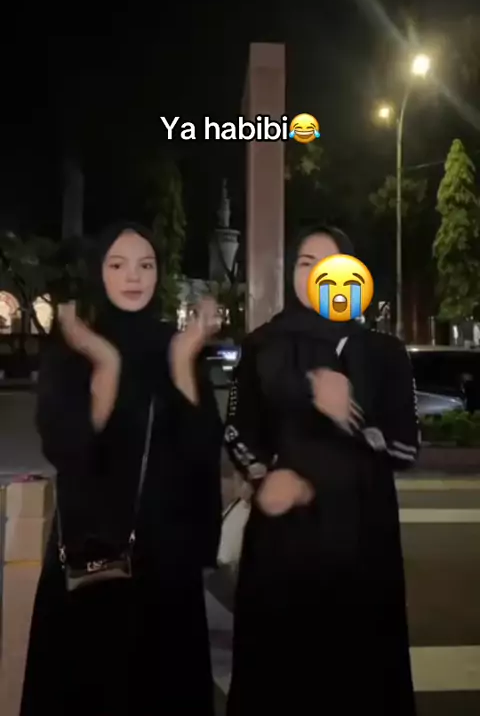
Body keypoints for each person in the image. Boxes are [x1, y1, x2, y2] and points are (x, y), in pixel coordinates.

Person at [20, 222, 223, 716]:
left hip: (166, 565)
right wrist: (106, 366)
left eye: (145, 265)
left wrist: (183, 364)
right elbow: (67, 447)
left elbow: (202, 451)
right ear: (99, 272)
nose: (134, 277)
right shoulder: (74, 347)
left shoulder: (177, 345)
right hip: (91, 560)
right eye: (118, 264)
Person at [225, 225, 420, 715]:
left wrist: (352, 417)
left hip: (361, 542)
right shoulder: (262, 346)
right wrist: (261, 478)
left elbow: (406, 449)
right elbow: (237, 432)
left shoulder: (384, 353)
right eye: (306, 264)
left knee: (358, 678)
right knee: (280, 678)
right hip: (282, 545)